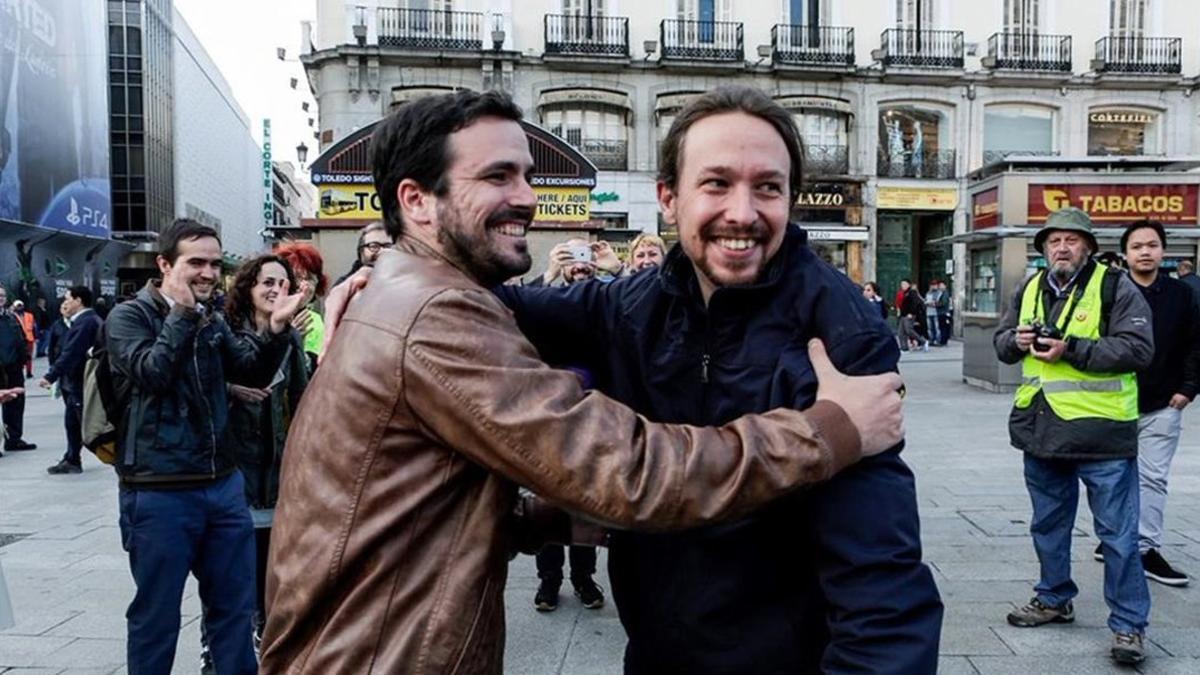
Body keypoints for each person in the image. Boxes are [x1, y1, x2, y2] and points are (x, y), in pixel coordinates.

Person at [261, 89, 906, 674]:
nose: (743, 211)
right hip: (640, 654)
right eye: (716, 184)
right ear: (668, 197)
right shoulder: (621, 304)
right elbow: (635, 474)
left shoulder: (837, 327)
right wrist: (832, 431)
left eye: (768, 187)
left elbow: (882, 583)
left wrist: (395, 277)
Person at [106, 219, 309, 675]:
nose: (208, 273)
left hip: (222, 488)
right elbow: (152, 373)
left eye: (215, 264)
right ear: (164, 264)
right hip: (158, 490)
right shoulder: (130, 317)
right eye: (195, 262)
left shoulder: (212, 319)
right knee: (156, 617)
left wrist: (275, 331)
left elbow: (252, 373)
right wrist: (181, 316)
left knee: (233, 613)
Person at [993, 207, 1154, 665]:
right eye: (1053, 241)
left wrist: (1073, 349)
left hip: (1102, 436)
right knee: (1047, 524)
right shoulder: (1029, 287)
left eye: (1071, 240)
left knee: (1118, 536)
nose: (1061, 248)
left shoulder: (1114, 286)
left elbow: (1139, 349)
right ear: (1043, 248)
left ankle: (1128, 626)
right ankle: (1053, 598)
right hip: (1041, 430)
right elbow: (1002, 343)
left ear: (1087, 246)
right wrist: (1017, 342)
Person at [220, 254, 311, 651]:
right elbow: (202, 384)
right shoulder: (224, 330)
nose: (275, 290)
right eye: (266, 283)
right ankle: (229, 638)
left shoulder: (290, 337)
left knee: (273, 562)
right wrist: (231, 390)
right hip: (232, 462)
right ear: (248, 289)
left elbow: (302, 396)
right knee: (236, 563)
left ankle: (264, 630)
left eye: (282, 283)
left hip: (277, 465)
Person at [1102, 220, 1200, 587]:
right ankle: (1113, 539)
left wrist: (1188, 388)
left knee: (1153, 477)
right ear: (1125, 253)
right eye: (1138, 246)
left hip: (1162, 402)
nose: (1145, 252)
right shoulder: (1109, 291)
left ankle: (1145, 548)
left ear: (1163, 251)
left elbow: (1195, 343)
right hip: (1112, 403)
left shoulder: (1182, 294)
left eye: (1153, 245)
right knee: (1113, 480)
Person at [40, 286, 102, 475]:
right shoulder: (84, 321)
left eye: (68, 298)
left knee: (84, 422)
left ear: (78, 300)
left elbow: (72, 352)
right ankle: (72, 457)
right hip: (74, 381)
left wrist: (51, 375)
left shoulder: (86, 322)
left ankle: (75, 458)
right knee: (72, 422)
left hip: (81, 381)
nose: (65, 302)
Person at [274, 242, 328, 367]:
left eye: (309, 278)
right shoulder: (267, 315)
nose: (303, 285)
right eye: (296, 277)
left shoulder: (315, 319)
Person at [0, 286, 34, 454]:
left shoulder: (11, 318)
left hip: (13, 367)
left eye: (3, 295)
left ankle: (14, 438)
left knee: (16, 402)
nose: (1, 298)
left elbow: (21, 338)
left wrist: (23, 359)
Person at [898, 279, 929, 352]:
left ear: (909, 285)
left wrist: (911, 313)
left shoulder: (912, 292)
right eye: (902, 284)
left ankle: (923, 341)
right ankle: (904, 347)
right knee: (901, 332)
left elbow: (915, 304)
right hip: (903, 315)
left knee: (909, 330)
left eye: (904, 284)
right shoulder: (905, 293)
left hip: (909, 315)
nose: (902, 286)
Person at [11, 300, 35, 378]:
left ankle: (29, 372)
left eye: (20, 305)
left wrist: (36, 336)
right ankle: (19, 370)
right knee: (19, 356)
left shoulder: (29, 315)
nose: (19, 307)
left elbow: (34, 327)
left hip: (29, 338)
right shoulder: (11, 316)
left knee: (29, 357)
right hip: (19, 340)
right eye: (18, 306)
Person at [924, 281, 942, 346]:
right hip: (928, 312)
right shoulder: (928, 293)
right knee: (930, 327)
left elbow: (939, 302)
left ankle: (937, 340)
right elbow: (925, 301)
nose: (933, 286)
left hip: (936, 312)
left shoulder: (939, 293)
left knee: (937, 327)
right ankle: (931, 339)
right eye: (932, 285)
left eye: (934, 285)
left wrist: (933, 303)